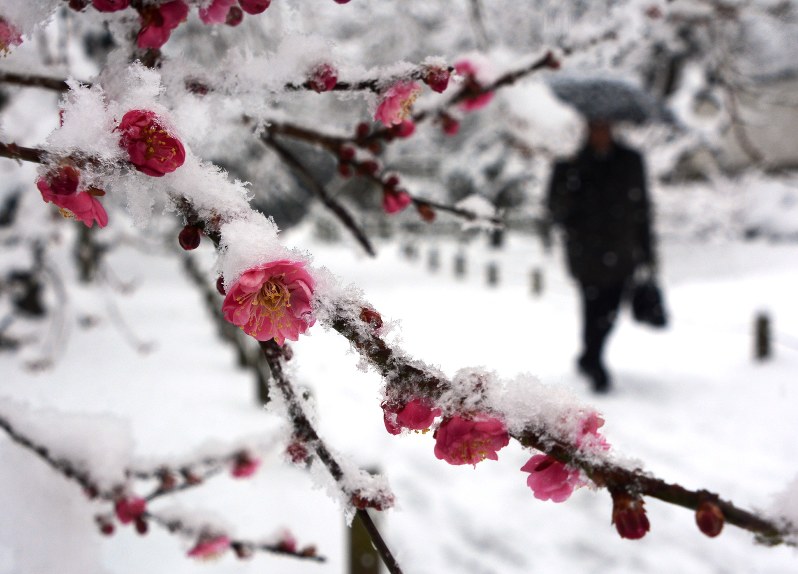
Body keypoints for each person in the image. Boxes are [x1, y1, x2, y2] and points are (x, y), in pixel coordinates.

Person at [545, 121, 655, 393]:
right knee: (593, 309)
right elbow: (556, 210)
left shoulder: (630, 161)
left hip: (623, 251)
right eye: (595, 128)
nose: (601, 134)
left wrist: (647, 253)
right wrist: (573, 177)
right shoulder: (570, 164)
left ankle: (589, 355)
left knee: (612, 310)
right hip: (587, 254)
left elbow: (642, 209)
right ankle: (594, 361)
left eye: (605, 127)